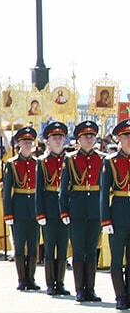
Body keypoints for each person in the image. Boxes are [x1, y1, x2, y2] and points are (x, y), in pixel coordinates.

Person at [62, 120, 104, 302]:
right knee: (79, 250)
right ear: (78, 139)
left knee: (92, 249)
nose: (89, 139)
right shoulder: (70, 159)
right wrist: (64, 211)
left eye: (92, 136)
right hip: (77, 209)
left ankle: (91, 289)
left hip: (95, 209)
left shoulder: (102, 158)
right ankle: (80, 289)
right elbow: (64, 188)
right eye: (86, 136)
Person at [2, 126, 43, 291]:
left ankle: (31, 278)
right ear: (18, 144)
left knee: (33, 244)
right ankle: (21, 278)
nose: (27, 144)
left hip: (33, 205)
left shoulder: (38, 163)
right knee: (19, 244)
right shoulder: (11, 164)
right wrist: (8, 213)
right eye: (25, 142)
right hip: (18, 205)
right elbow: (7, 191)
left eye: (30, 142)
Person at [37, 121, 70, 296]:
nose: (58, 141)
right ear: (47, 141)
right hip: (49, 207)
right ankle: (51, 282)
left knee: (63, 246)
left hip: (65, 209)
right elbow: (38, 190)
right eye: (54, 138)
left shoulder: (69, 160)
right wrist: (40, 212)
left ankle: (61, 282)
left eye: (60, 137)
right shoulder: (42, 162)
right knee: (50, 247)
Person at [101, 118, 130, 309]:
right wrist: (106, 220)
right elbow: (104, 193)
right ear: (119, 138)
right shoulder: (111, 161)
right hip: (119, 212)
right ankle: (120, 295)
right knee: (117, 259)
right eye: (127, 135)